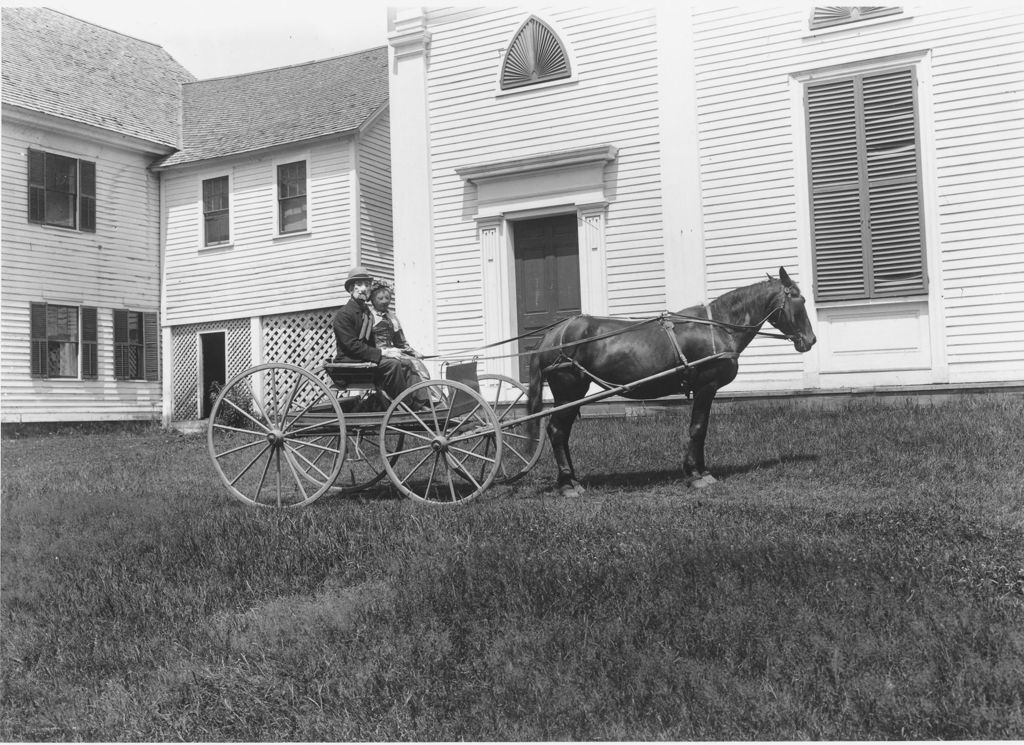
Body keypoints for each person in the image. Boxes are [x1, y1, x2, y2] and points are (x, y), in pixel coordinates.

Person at [332, 266, 428, 407]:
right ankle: (405, 406)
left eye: (367, 284)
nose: (364, 289)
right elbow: (352, 346)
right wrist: (383, 352)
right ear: (351, 289)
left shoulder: (365, 311)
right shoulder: (344, 315)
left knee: (406, 363)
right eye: (360, 285)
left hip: (365, 359)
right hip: (350, 363)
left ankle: (422, 403)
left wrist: (395, 351)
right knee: (393, 364)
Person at [368, 280, 431, 384]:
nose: (384, 301)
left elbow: (400, 342)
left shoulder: (392, 317)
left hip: (393, 352)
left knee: (417, 363)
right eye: (380, 298)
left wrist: (414, 353)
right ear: (373, 300)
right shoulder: (369, 316)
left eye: (387, 298)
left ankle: (424, 394)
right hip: (378, 355)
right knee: (409, 363)